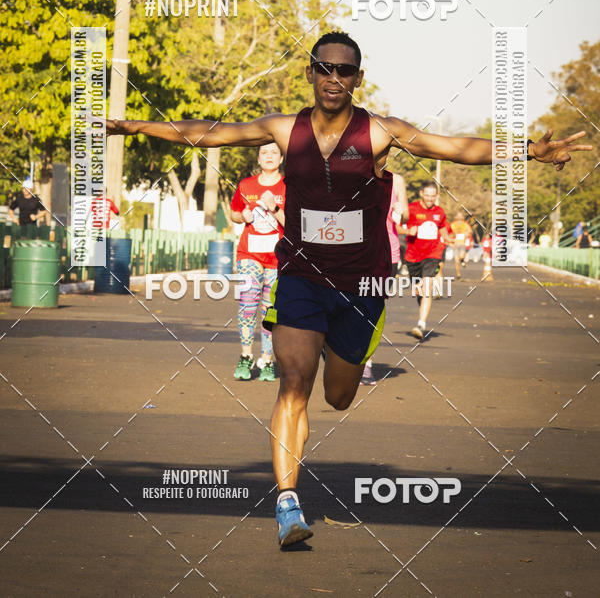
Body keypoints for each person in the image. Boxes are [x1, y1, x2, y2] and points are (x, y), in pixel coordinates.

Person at [106, 29, 591, 548]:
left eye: (344, 70)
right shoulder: (283, 128)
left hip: (362, 287)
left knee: (337, 397)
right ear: (310, 73)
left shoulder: (380, 132)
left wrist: (528, 151)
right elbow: (210, 132)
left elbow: (454, 147)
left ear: (358, 78)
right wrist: (132, 125)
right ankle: (287, 502)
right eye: (325, 68)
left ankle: (341, 352)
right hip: (301, 278)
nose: (333, 78)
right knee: (294, 383)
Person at [230, 143, 285, 383]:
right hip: (249, 253)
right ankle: (245, 356)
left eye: (274, 152)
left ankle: (267, 360)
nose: (269, 156)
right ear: (258, 158)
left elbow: (294, 223)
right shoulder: (246, 185)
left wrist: (274, 207)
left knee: (269, 309)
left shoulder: (289, 186)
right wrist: (242, 215)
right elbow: (234, 212)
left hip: (277, 256)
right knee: (247, 302)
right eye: (264, 152)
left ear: (281, 158)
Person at [361, 172, 407, 386]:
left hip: (388, 253)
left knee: (372, 308)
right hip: (356, 251)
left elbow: (405, 217)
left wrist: (401, 212)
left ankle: (366, 364)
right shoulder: (352, 173)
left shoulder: (396, 180)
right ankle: (348, 358)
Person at [400, 182, 455, 337]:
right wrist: (407, 231)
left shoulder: (439, 212)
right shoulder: (411, 209)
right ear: (421, 194)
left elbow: (442, 228)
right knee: (419, 290)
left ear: (436, 196)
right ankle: (422, 315)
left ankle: (421, 324)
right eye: (427, 195)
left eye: (433, 196)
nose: (430, 199)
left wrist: (448, 238)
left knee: (427, 287)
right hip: (413, 256)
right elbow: (395, 226)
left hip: (432, 254)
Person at [451, 211, 473, 279]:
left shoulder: (465, 224)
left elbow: (470, 232)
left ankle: (463, 260)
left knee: (461, 256)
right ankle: (458, 275)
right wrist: (452, 241)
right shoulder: (453, 224)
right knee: (456, 261)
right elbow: (449, 233)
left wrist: (467, 234)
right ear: (455, 217)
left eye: (461, 216)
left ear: (463, 217)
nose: (459, 217)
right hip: (455, 244)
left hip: (462, 244)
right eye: (458, 216)